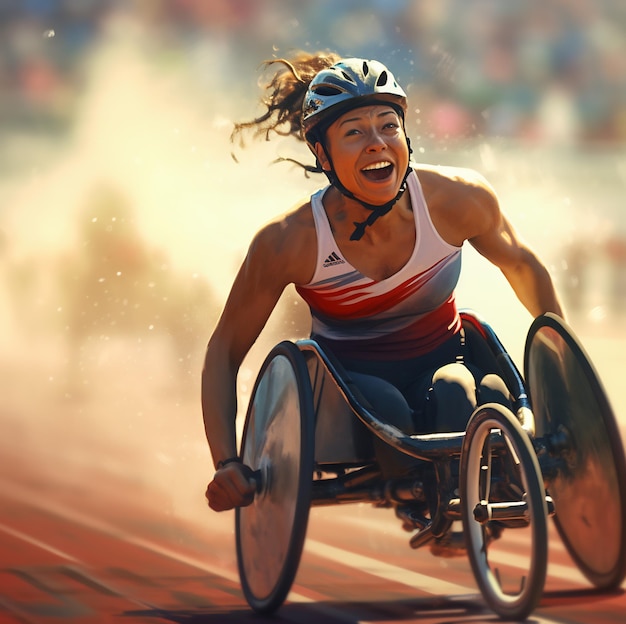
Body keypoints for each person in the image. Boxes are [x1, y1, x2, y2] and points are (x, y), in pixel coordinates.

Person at [202, 51, 564, 542]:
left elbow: (522, 266)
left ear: (405, 136)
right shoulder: (289, 241)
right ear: (322, 154)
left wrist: (564, 371)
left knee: (467, 394)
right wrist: (226, 461)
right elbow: (224, 351)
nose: (377, 144)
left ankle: (465, 500)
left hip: (446, 354)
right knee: (390, 411)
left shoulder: (459, 200)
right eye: (354, 132)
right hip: (354, 386)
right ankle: (427, 498)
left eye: (387, 126)